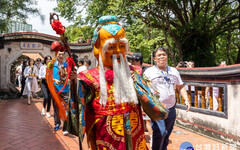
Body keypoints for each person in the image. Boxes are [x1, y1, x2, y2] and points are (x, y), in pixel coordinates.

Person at [56, 16, 168, 149]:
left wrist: (137, 82)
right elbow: (79, 105)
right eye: (111, 46)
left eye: (121, 46)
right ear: (98, 49)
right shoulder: (87, 77)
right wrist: (75, 83)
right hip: (105, 132)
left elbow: (150, 97)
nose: (117, 51)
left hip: (133, 127)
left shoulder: (133, 71)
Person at [144, 47, 191, 150]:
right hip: (157, 108)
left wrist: (186, 100)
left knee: (166, 134)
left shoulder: (174, 71)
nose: (162, 57)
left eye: (164, 54)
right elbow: (144, 89)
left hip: (171, 108)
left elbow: (180, 86)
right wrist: (145, 106)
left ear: (167, 57)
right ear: (154, 59)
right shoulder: (149, 72)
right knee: (160, 132)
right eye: (159, 55)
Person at [130, 52, 153, 145]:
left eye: (133, 60)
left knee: (147, 119)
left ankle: (152, 139)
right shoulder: (131, 70)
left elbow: (148, 86)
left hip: (143, 98)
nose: (131, 62)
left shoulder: (145, 72)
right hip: (133, 98)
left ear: (138, 61)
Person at [52, 51, 69, 135]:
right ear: (56, 55)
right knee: (56, 108)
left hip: (65, 89)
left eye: (62, 54)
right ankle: (57, 124)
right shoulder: (52, 65)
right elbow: (48, 77)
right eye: (59, 54)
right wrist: (55, 80)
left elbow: (70, 75)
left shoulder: (67, 65)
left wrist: (69, 80)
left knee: (66, 108)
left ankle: (66, 126)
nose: (61, 56)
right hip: (56, 89)